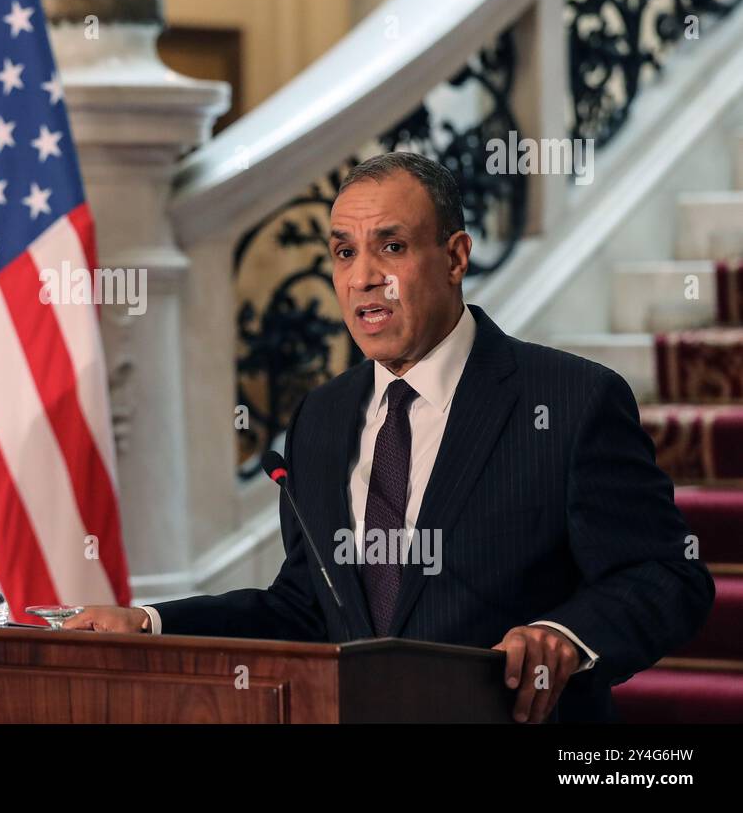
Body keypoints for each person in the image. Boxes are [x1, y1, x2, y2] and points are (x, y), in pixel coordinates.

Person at [64, 151, 714, 722]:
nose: (363, 276)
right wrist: (149, 624)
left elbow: (666, 575)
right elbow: (306, 608)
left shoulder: (570, 401)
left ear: (456, 257)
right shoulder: (321, 418)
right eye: (345, 251)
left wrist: (564, 636)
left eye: (392, 247)